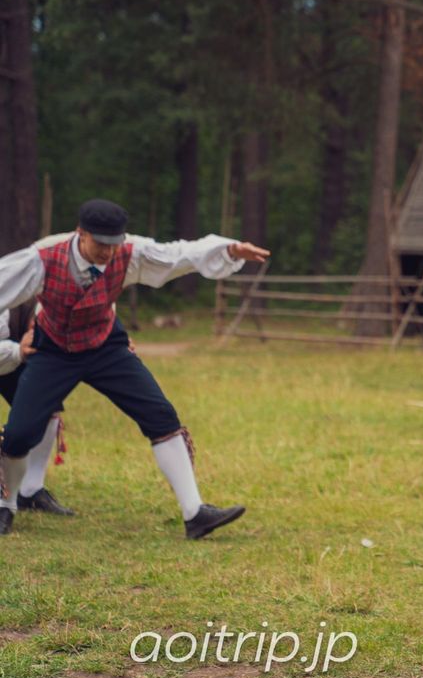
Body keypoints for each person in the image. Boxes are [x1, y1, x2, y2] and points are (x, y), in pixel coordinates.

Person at [0, 199, 269, 538]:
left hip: (105, 346)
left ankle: (195, 513)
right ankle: (6, 506)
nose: (109, 253)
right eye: (101, 244)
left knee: (160, 416)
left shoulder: (131, 252)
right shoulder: (43, 259)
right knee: (20, 433)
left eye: (114, 244)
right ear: (80, 234)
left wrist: (228, 249)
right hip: (54, 349)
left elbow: (178, 254)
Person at [0, 303, 72, 515]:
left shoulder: (36, 277)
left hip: (14, 353)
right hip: (12, 351)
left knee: (46, 403)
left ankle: (30, 489)